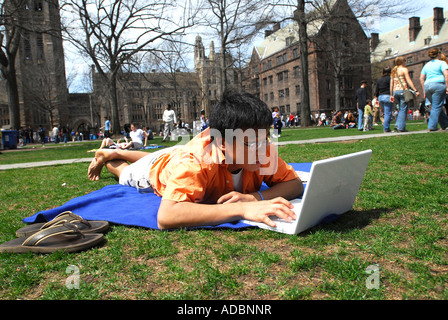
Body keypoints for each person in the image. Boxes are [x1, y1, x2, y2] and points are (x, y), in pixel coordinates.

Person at [87, 91, 303, 230]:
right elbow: (167, 215)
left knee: (162, 154)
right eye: (253, 144)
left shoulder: (258, 146)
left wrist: (255, 198)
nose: (264, 149)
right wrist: (242, 210)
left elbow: (294, 184)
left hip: (177, 154)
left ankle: (116, 152)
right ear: (223, 143)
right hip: (157, 170)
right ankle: (110, 156)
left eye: (266, 139)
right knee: (126, 172)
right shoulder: (198, 160)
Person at [419, 48, 448, 131]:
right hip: (438, 85)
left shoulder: (426, 65)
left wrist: (424, 90)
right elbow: (446, 75)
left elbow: (421, 78)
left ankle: (445, 124)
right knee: (436, 106)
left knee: (437, 105)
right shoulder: (442, 63)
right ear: (438, 54)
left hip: (428, 86)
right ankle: (432, 126)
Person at [390, 56, 420, 132]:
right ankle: (401, 127)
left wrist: (391, 94)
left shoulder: (394, 71)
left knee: (400, 109)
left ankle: (397, 124)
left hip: (395, 91)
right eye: (404, 60)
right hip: (403, 90)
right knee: (403, 109)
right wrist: (415, 90)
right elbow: (408, 80)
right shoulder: (404, 69)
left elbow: (391, 84)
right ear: (402, 61)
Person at [375, 66, 394, 133]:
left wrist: (376, 98)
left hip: (380, 97)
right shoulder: (390, 79)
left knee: (386, 113)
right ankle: (386, 128)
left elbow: (376, 90)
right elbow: (392, 87)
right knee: (388, 113)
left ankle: (386, 127)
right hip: (387, 96)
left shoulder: (379, 80)